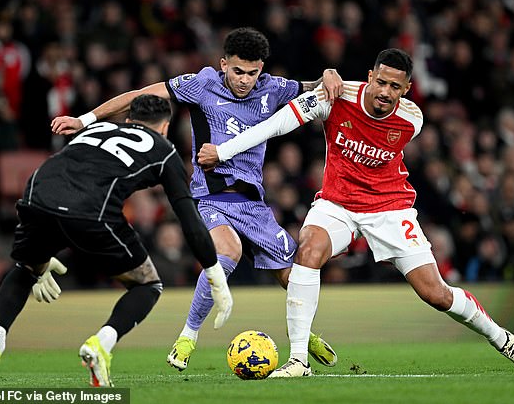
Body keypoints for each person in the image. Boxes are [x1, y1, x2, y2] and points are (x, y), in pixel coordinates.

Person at [198, 48, 514, 376]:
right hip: (337, 204)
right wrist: (223, 152)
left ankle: (503, 339)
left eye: (395, 87)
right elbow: (275, 124)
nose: (385, 92)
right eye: (381, 82)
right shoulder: (335, 97)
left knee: (435, 294)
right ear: (370, 77)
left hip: (390, 208)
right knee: (309, 250)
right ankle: (298, 359)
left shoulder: (412, 120)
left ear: (407, 89)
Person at [51, 27, 343, 372]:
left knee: (292, 279)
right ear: (223, 65)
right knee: (228, 252)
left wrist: (329, 73)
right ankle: (187, 336)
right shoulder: (202, 84)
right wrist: (84, 119)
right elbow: (140, 95)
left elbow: (317, 89)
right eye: (237, 71)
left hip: (254, 204)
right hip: (211, 198)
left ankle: (305, 337)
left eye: (252, 73)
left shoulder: (272, 88)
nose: (245, 80)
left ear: (261, 70)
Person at [0, 94, 232, 388]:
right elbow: (189, 220)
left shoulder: (95, 129)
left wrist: (40, 254)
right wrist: (214, 274)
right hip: (90, 210)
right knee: (147, 284)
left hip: (36, 194)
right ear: (165, 128)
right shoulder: (165, 149)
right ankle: (100, 345)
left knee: (25, 269)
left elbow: (67, 178)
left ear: (129, 120)